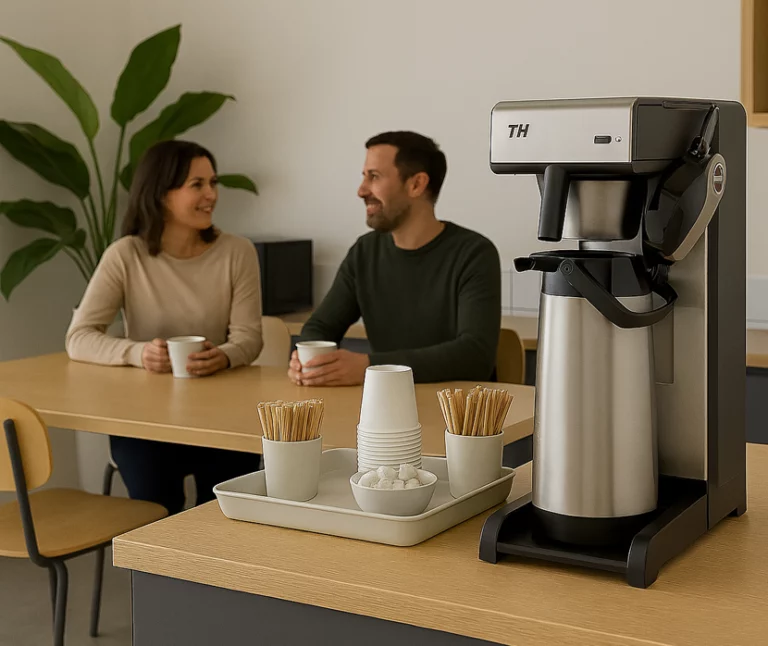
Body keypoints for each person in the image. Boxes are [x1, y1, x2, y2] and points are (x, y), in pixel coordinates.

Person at [66, 139, 264, 514]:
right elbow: (79, 337)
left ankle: (216, 574)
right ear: (160, 194)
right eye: (197, 185)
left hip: (223, 418)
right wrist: (138, 353)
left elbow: (249, 337)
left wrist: (223, 357)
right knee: (156, 517)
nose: (212, 195)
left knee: (224, 520)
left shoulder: (237, 252)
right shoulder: (125, 255)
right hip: (148, 422)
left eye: (213, 182)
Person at [288, 131, 501, 386]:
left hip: (459, 416)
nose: (361, 190)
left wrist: (370, 367)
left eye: (374, 177)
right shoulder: (364, 252)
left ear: (416, 185)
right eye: (364, 176)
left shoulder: (474, 254)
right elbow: (320, 326)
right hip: (385, 407)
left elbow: (474, 356)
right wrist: (307, 361)